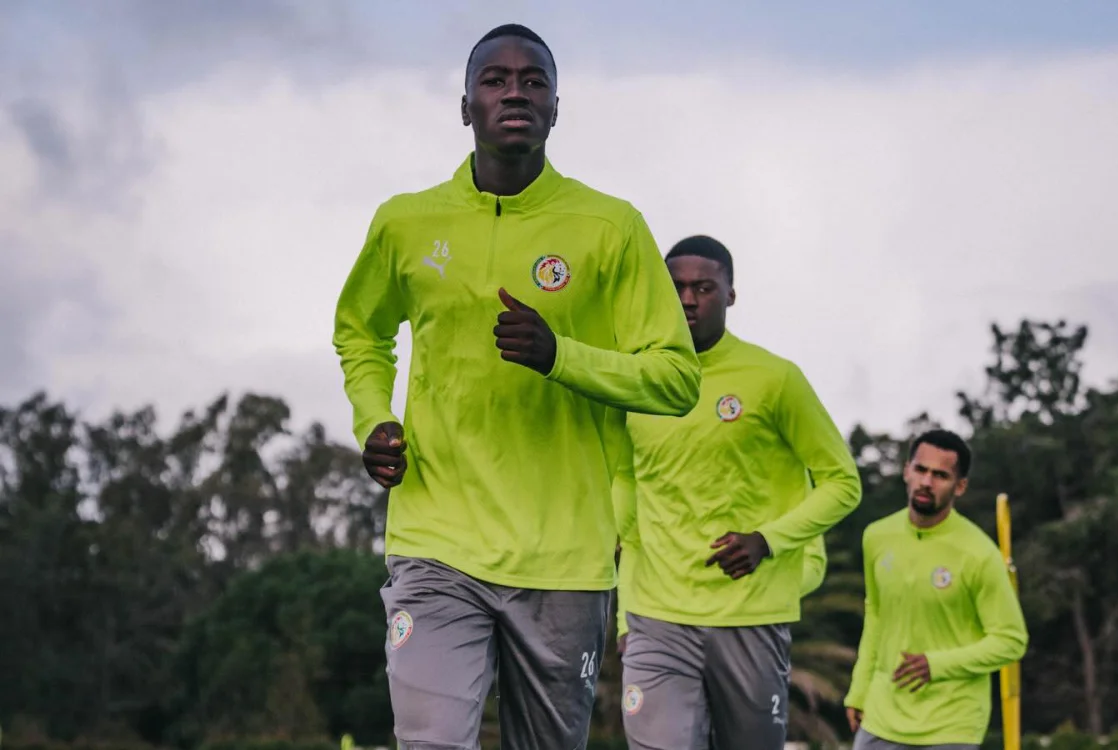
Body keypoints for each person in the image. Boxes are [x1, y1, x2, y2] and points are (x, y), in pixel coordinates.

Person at [331, 23, 702, 749]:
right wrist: (374, 419)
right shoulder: (404, 223)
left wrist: (561, 354)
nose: (514, 93)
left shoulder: (611, 227)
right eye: (495, 81)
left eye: (533, 82)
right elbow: (361, 332)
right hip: (436, 541)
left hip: (565, 558)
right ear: (464, 105)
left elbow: (676, 378)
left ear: (557, 109)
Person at [614, 235, 863, 749]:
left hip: (749, 618)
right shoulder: (636, 383)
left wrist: (766, 540)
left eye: (703, 288)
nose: (687, 299)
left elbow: (843, 483)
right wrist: (624, 618)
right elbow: (628, 514)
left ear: (730, 295)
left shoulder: (775, 379)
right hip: (657, 621)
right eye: (676, 287)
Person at [844, 429, 1028, 750]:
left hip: (951, 722)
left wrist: (936, 665)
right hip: (882, 716)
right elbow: (876, 615)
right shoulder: (876, 536)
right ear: (906, 471)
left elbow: (1011, 641)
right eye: (920, 470)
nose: (926, 482)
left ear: (960, 486)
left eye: (940, 475)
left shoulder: (979, 554)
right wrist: (859, 690)